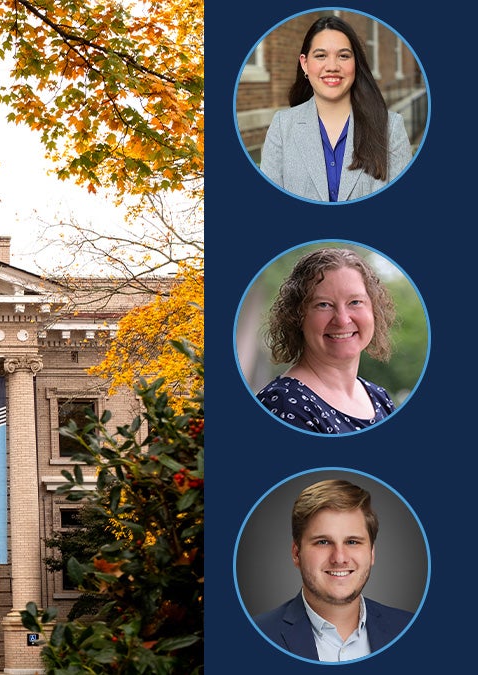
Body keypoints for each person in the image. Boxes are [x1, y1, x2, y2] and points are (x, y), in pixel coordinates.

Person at [253, 479, 413, 661]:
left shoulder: (409, 628)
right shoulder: (258, 634)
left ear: (372, 553)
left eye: (352, 542)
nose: (339, 558)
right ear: (297, 553)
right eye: (323, 542)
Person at [259, 16, 412, 202]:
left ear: (356, 63)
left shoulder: (390, 127)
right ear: (305, 63)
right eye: (321, 55)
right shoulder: (282, 126)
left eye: (344, 56)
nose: (332, 67)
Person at [256, 247, 396, 433]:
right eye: (324, 305)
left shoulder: (379, 398)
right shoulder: (284, 406)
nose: (342, 319)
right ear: (297, 317)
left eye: (355, 302)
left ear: (374, 311)